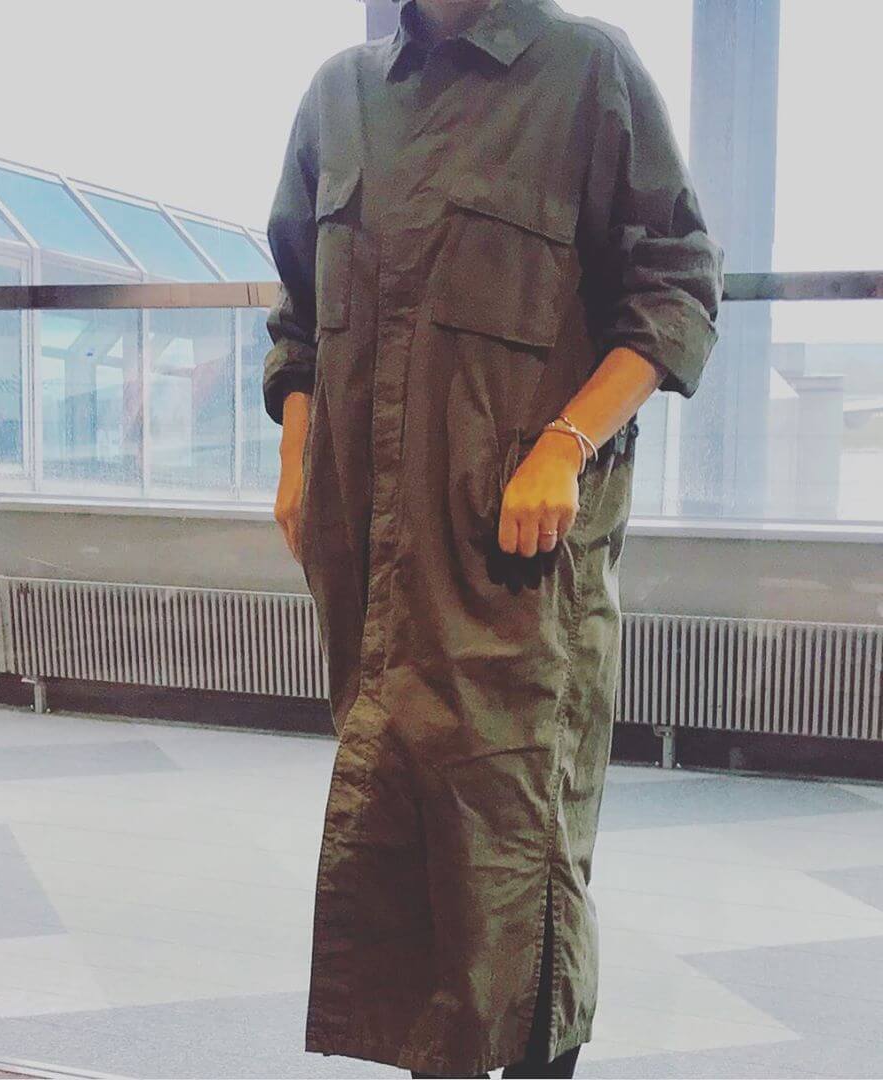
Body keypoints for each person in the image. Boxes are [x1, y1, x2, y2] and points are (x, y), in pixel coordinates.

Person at [262, 0, 723, 1076]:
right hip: (370, 559)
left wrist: (568, 440)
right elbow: (298, 312)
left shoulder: (588, 73)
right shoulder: (340, 95)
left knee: (520, 857)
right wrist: (296, 460)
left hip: (515, 569)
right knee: (402, 850)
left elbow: (676, 292)